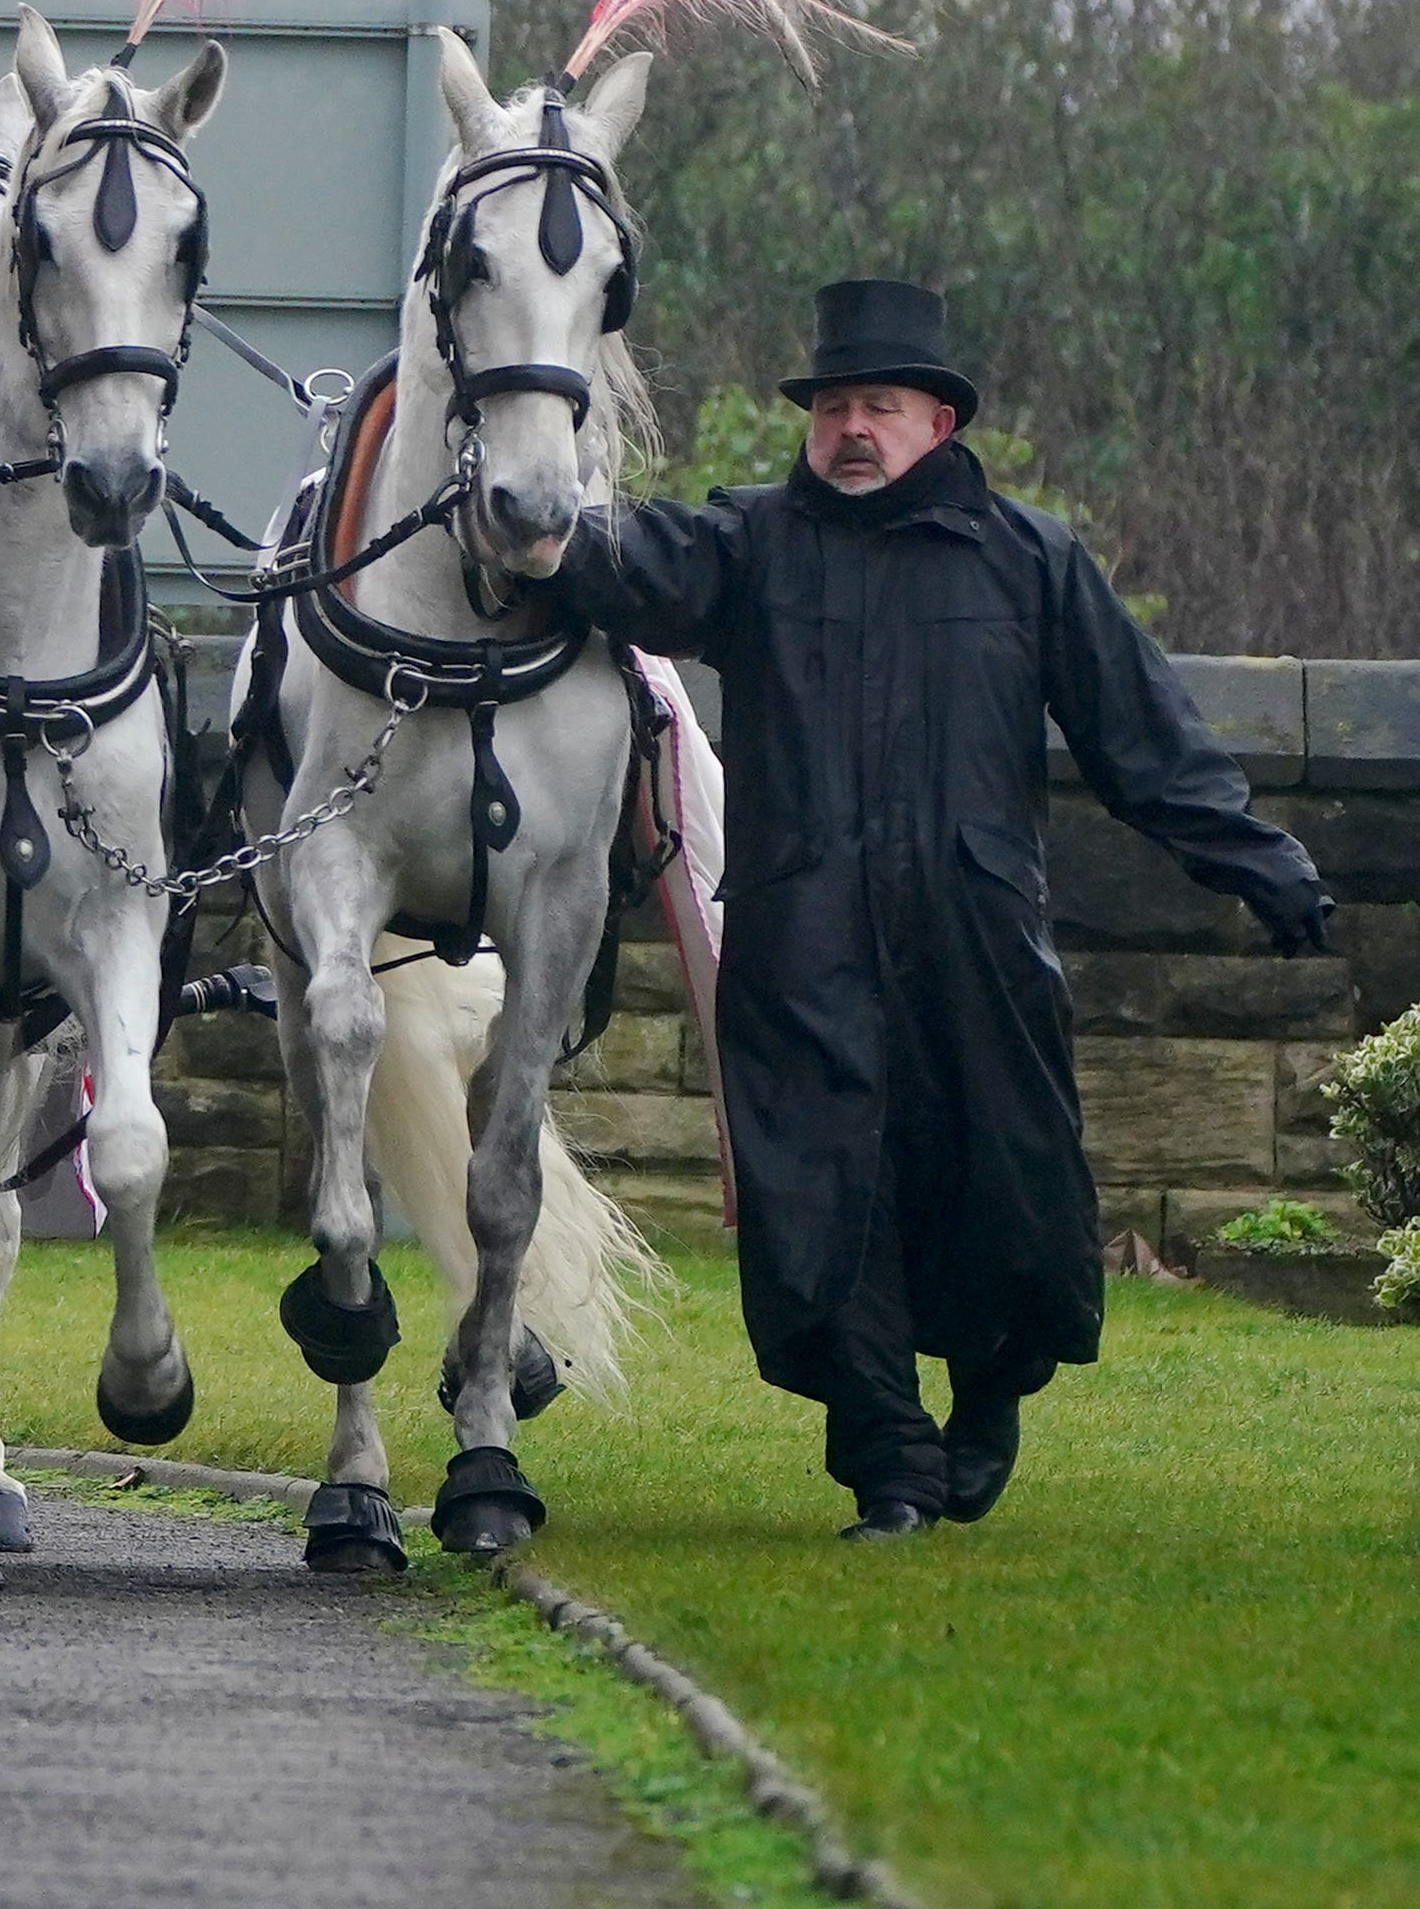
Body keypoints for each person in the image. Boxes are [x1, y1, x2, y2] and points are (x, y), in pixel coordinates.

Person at [543, 280, 1328, 1539]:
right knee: (823, 1196)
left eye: (879, 406)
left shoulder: (1028, 557)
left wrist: (1256, 857)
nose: (850, 427)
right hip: (802, 944)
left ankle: (988, 1395)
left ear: (939, 422)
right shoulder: (748, 544)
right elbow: (618, 569)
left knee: (1000, 1186)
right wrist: (524, 503)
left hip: (976, 941)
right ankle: (887, 1464)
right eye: (833, 405)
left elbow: (1142, 739)